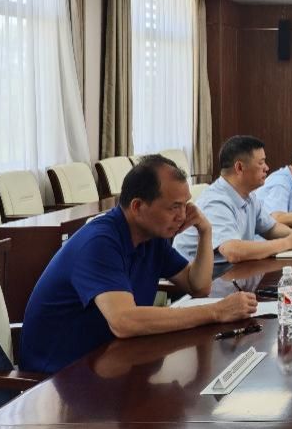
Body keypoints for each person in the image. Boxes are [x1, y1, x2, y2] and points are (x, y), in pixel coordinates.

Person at [20, 156, 258, 374]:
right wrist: (216, 311)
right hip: (59, 377)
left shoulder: (150, 237)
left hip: (111, 361)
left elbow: (198, 286)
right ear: (137, 207)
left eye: (185, 205)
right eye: (174, 207)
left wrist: (205, 231)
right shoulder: (99, 242)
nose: (183, 215)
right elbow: (124, 322)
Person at [173, 135, 292, 263]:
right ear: (239, 167)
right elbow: (232, 252)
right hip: (195, 278)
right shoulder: (216, 201)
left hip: (228, 273)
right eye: (261, 163)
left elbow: (270, 228)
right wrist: (288, 242)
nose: (267, 168)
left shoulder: (249, 195)